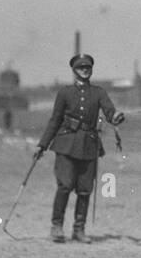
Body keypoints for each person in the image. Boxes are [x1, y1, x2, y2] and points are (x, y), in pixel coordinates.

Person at [35, 54, 125, 244]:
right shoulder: (65, 93)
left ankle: (79, 229)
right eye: (81, 67)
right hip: (66, 144)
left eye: (88, 67)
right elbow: (54, 120)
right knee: (65, 185)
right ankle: (57, 227)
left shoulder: (99, 92)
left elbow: (110, 111)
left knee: (85, 190)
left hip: (89, 146)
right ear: (74, 70)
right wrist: (42, 145)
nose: (85, 70)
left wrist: (116, 116)